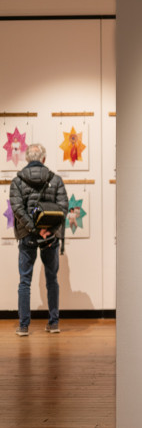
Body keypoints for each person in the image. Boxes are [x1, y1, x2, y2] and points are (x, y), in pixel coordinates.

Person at [9, 143, 67, 336]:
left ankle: (23, 326)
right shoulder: (56, 180)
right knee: (52, 279)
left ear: (27, 158)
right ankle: (54, 323)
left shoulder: (17, 181)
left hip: (27, 235)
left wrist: (34, 229)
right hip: (50, 237)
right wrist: (47, 230)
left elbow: (18, 210)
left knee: (25, 281)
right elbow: (63, 209)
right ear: (44, 159)